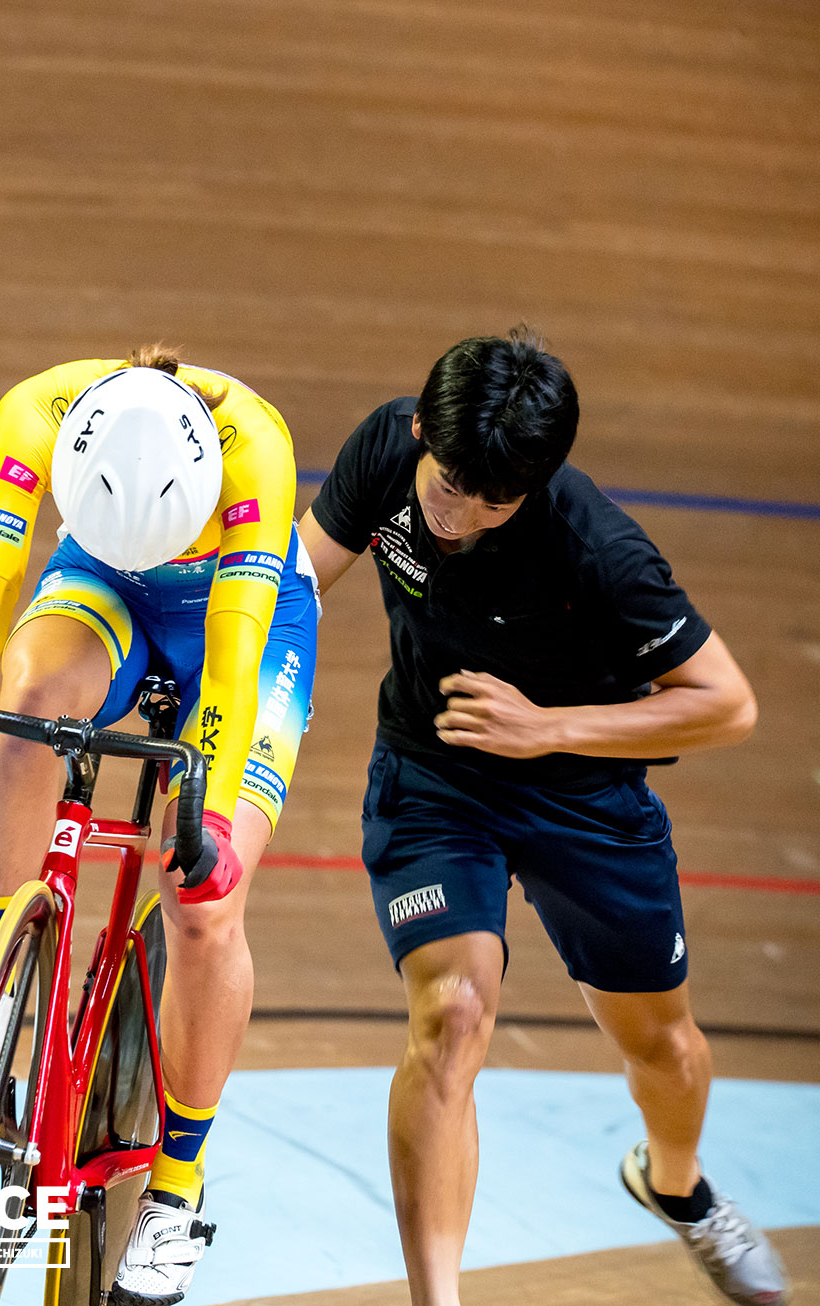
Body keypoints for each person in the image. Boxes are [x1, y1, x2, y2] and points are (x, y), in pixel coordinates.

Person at [299, 329, 788, 1306]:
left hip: (584, 794)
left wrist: (548, 727)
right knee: (453, 1015)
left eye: (492, 500)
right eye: (447, 483)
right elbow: (298, 577)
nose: (457, 514)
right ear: (416, 433)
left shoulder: (594, 546)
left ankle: (676, 1187)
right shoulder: (383, 456)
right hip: (434, 773)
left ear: (536, 484)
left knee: (665, 1050)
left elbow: (727, 703)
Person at [0, 347, 320, 1304]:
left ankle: (176, 1192)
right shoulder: (34, 413)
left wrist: (204, 824)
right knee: (29, 699)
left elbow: (234, 673)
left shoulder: (257, 451)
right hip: (104, 584)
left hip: (245, 621)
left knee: (203, 903)